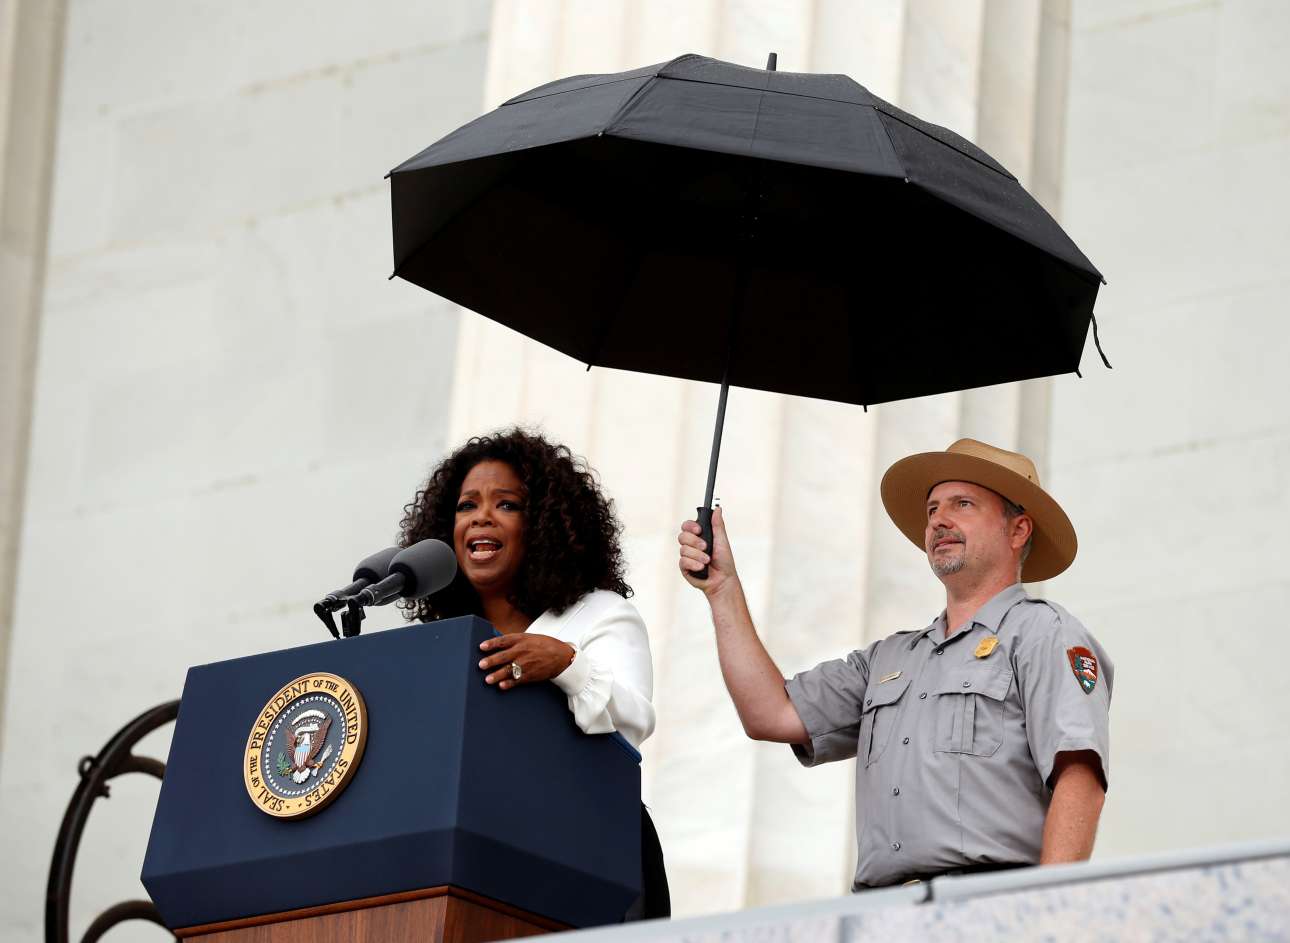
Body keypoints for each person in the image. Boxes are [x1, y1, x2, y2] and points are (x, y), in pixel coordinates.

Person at [676, 438, 1112, 889]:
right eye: (932, 509)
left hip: (986, 904)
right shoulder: (888, 658)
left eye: (962, 504)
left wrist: (1046, 909)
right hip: (881, 910)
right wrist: (723, 590)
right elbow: (771, 713)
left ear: (1018, 530)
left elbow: (1079, 779)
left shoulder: (1043, 632)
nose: (938, 520)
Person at [401, 427, 668, 916]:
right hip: (478, 860)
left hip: (595, 852)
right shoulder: (446, 643)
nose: (481, 516)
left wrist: (566, 664)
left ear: (543, 525)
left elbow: (633, 725)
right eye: (466, 506)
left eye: (506, 504)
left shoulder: (598, 614)